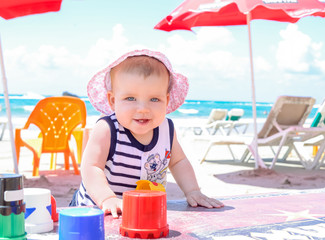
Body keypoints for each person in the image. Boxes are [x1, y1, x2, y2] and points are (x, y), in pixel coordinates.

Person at [70, 49, 224, 218]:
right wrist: (106, 198)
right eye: (130, 98)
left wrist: (193, 190)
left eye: (154, 99)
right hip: (95, 210)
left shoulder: (166, 129)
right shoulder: (108, 129)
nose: (143, 108)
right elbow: (91, 167)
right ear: (113, 101)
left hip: (142, 212)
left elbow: (179, 161)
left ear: (166, 100)